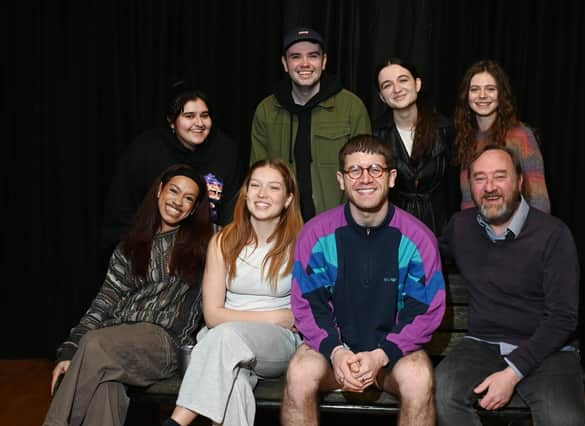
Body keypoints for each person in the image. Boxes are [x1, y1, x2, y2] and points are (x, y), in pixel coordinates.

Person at [281, 135, 445, 426]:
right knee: (299, 372)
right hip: (334, 354)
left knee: (419, 378)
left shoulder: (418, 238)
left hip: (392, 357)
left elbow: (424, 310)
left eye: (375, 169)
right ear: (341, 180)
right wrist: (337, 351)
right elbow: (308, 305)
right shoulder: (316, 235)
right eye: (354, 170)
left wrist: (381, 355)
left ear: (392, 177)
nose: (364, 178)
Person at [43, 164, 213, 426]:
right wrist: (69, 351)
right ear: (159, 191)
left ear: (193, 208)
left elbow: (242, 237)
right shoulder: (130, 246)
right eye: (174, 191)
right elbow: (104, 302)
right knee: (104, 390)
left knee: (95, 344)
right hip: (114, 340)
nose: (178, 202)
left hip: (163, 343)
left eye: (188, 198)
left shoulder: (205, 244)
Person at [435, 145, 585, 426]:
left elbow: (563, 318)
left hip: (548, 350)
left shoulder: (554, 235)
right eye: (480, 178)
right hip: (482, 344)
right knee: (441, 395)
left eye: (499, 176)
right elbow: (423, 255)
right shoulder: (461, 227)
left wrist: (512, 372)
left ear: (519, 182)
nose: (489, 187)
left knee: (564, 421)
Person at [162, 159, 304, 426]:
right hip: (223, 342)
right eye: (255, 186)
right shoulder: (222, 241)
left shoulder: (302, 242)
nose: (262, 194)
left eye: (273, 188)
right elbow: (212, 315)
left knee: (224, 337)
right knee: (234, 386)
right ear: (246, 192)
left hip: (276, 346)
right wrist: (276, 316)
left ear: (287, 199)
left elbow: (301, 315)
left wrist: (278, 321)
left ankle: (176, 422)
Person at [101, 82, 243, 257]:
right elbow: (122, 211)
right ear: (171, 121)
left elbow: (233, 211)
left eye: (204, 115)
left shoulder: (226, 151)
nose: (199, 123)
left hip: (208, 252)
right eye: (189, 116)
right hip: (150, 252)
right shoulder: (145, 151)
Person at [250, 27, 371, 221]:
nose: (304, 64)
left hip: (337, 225)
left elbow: (365, 172)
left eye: (313, 56)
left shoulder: (351, 107)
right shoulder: (266, 110)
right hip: (282, 225)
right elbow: (257, 173)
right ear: (284, 63)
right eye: (296, 57)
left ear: (323, 61)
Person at [373, 57, 459, 236]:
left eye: (403, 80)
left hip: (442, 231)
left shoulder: (445, 130)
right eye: (387, 85)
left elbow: (455, 187)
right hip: (394, 232)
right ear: (382, 97)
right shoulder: (377, 135)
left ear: (417, 84)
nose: (397, 89)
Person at [453, 59, 550, 213]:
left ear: (501, 94)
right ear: (466, 95)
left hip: (514, 233)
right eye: (475, 89)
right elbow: (468, 200)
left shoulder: (520, 136)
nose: (482, 95)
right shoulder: (466, 137)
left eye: (490, 89)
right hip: (476, 231)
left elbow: (539, 200)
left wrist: (532, 236)